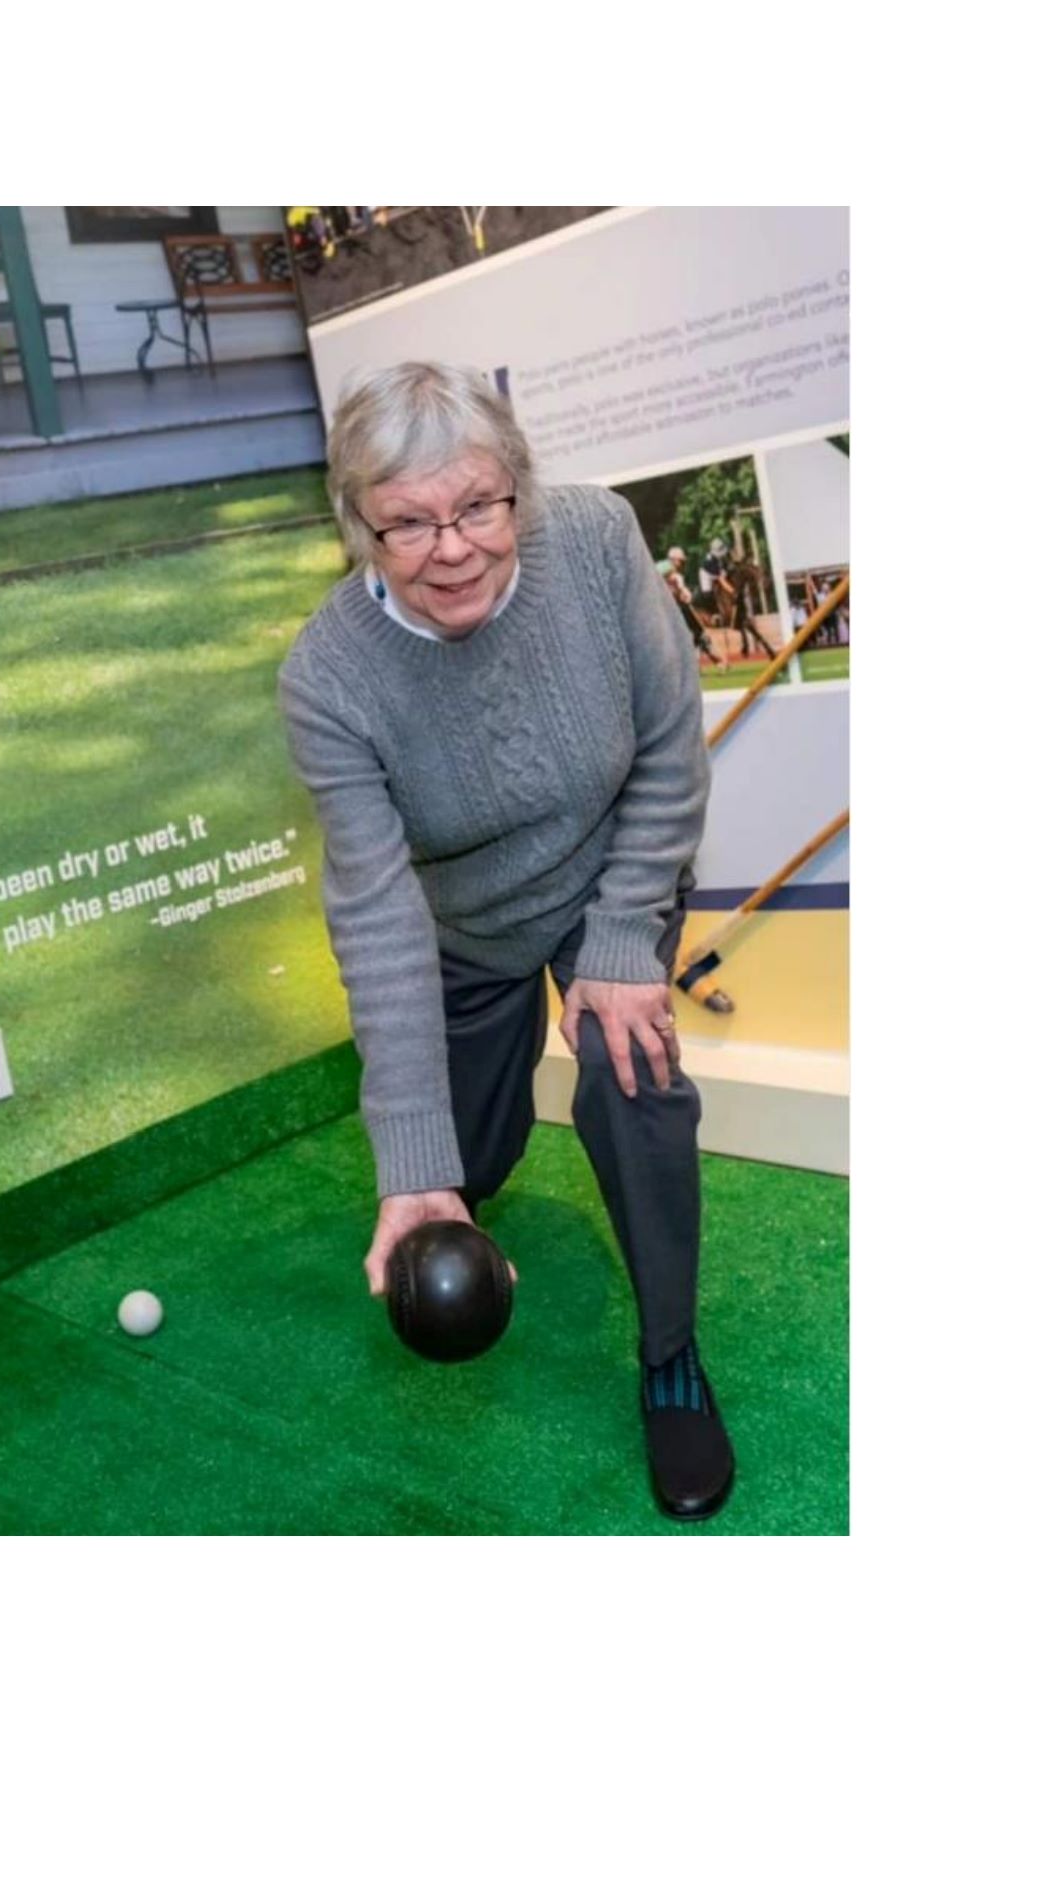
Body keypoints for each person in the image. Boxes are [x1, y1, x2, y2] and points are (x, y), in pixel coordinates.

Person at [278, 363, 733, 1519]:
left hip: (609, 882)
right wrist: (415, 1167)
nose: (454, 546)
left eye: (478, 505)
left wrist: (624, 940)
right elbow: (376, 914)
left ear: (518, 488)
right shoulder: (327, 677)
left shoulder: (595, 540)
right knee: (459, 1163)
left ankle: (670, 1353)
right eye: (410, 523)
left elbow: (672, 751)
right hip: (460, 921)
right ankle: (461, 1184)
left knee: (633, 1086)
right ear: (358, 528)